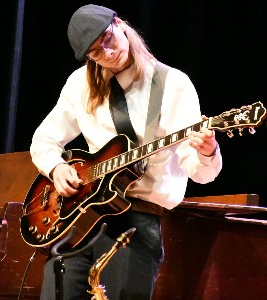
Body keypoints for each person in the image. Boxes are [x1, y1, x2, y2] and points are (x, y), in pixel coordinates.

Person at [30, 4, 222, 300]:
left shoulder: (172, 84)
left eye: (107, 39)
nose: (106, 53)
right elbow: (44, 139)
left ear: (119, 24)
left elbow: (200, 173)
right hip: (80, 218)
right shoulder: (80, 83)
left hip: (137, 222)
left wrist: (207, 152)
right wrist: (56, 168)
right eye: (95, 52)